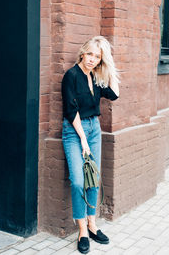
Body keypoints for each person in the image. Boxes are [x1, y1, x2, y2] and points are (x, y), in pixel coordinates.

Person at [61, 36, 120, 254]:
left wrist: (109, 66)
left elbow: (114, 94)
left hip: (94, 129)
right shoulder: (71, 76)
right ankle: (82, 230)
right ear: (83, 52)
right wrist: (83, 141)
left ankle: (93, 224)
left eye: (98, 57)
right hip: (74, 131)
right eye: (90, 54)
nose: (92, 60)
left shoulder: (95, 76)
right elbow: (70, 110)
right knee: (78, 181)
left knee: (93, 179)